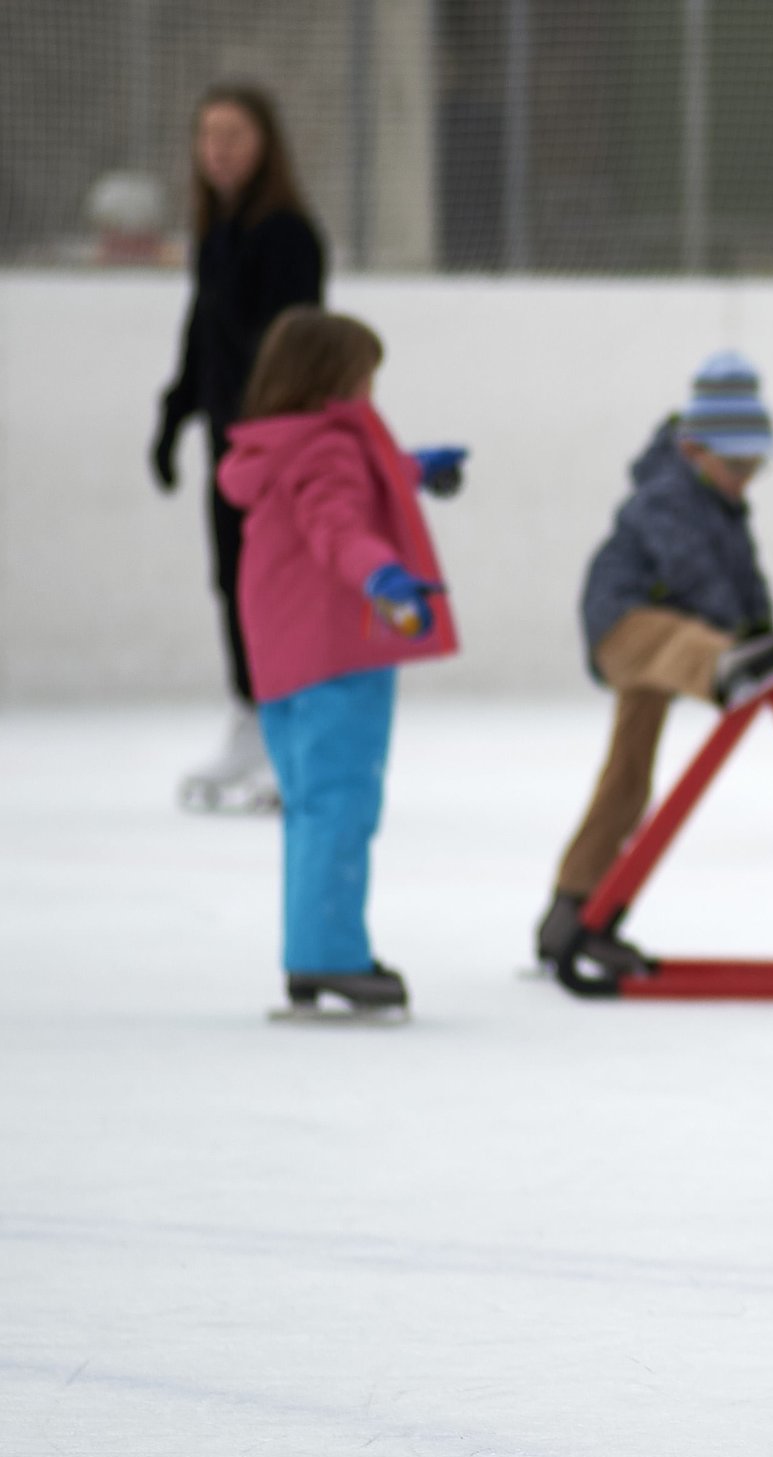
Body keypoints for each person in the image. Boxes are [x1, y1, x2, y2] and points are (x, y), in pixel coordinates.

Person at [536, 352, 773, 980]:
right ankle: (727, 666)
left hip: (676, 646)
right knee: (680, 638)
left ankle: (577, 910)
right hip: (625, 625)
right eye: (736, 463)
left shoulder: (722, 505)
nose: (746, 477)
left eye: (755, 466)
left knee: (628, 783)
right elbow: (691, 569)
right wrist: (738, 650)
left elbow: (743, 578)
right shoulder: (665, 493)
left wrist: (765, 634)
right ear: (694, 449)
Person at [214, 309, 458, 1020]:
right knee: (342, 802)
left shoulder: (275, 446)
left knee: (311, 803)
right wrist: (383, 577)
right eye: (363, 377)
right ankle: (329, 956)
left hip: (283, 654)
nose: (370, 392)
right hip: (337, 650)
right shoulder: (330, 446)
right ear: (333, 382)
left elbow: (334, 491)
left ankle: (312, 950)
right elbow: (338, 524)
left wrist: (412, 470)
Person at [152, 85, 327, 812]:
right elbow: (202, 335)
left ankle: (291, 735)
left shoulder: (286, 233)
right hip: (228, 444)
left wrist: (271, 430)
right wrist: (175, 414)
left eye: (235, 133)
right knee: (232, 580)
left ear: (265, 144)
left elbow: (291, 344)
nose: (219, 148)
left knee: (272, 588)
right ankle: (252, 717)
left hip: (272, 448)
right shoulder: (215, 232)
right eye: (208, 134)